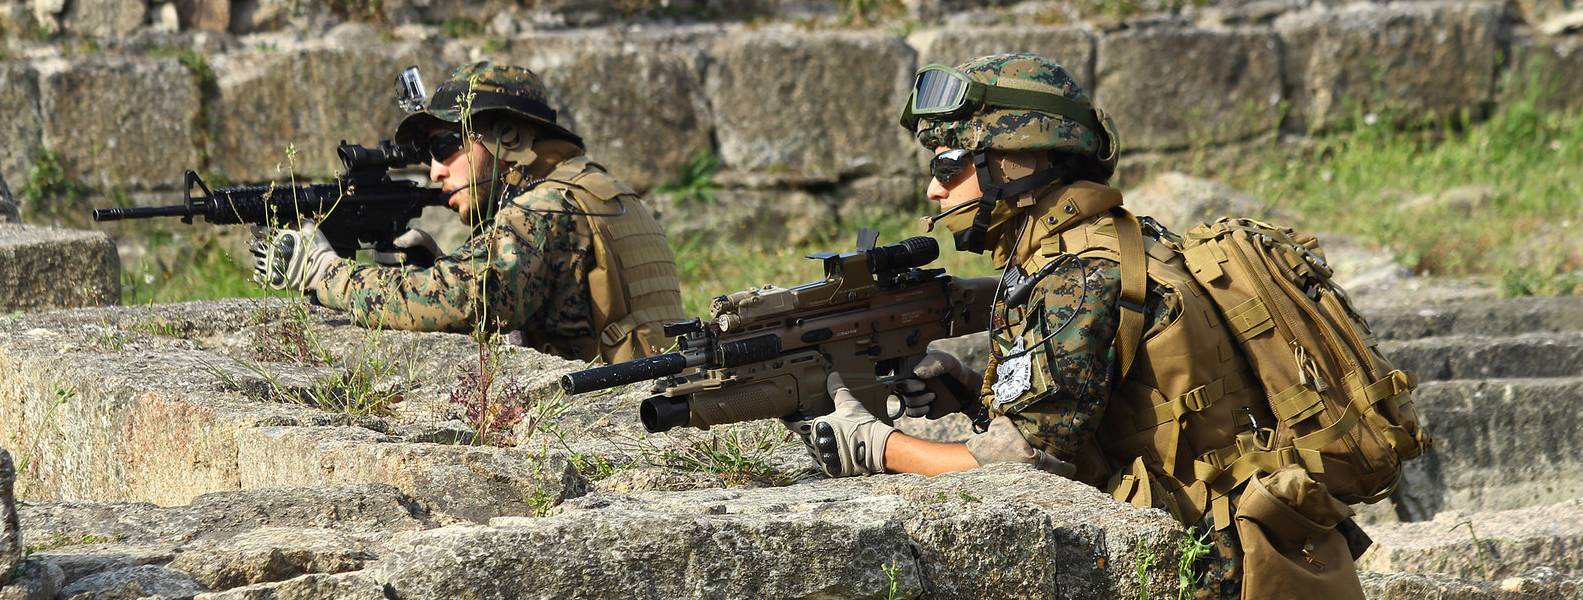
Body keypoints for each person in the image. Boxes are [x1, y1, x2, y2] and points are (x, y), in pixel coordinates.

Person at [795, 53, 1368, 599]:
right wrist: (969, 388)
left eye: (951, 166)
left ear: (1019, 160)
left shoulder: (1076, 277)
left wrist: (877, 446)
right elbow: (1090, 409)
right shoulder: (1118, 241)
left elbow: (1018, 465)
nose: (933, 190)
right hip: (1243, 537)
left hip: (1207, 562)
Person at [253, 62, 685, 363]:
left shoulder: (544, 207)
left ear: (507, 138)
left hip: (615, 423)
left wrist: (329, 275)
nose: (435, 171)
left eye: (445, 147)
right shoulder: (595, 189)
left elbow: (467, 301)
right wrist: (437, 266)